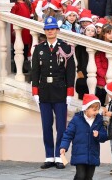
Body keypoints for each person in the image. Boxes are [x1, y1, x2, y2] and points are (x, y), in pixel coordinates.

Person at [31, 16, 76, 169]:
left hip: (60, 92)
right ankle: (49, 156)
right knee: (46, 125)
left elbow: (71, 72)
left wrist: (70, 93)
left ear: (57, 30)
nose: (50, 31)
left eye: (52, 29)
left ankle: (59, 156)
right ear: (44, 31)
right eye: (47, 29)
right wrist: (35, 92)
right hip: (44, 92)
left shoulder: (66, 48)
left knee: (61, 127)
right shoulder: (39, 49)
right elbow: (35, 72)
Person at [60, 94, 108, 180]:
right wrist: (63, 146)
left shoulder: (99, 120)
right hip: (79, 154)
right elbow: (68, 134)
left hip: (93, 154)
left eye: (97, 110)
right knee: (80, 176)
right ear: (86, 109)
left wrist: (99, 135)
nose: (96, 112)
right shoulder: (76, 119)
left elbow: (105, 136)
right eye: (94, 110)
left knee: (89, 177)